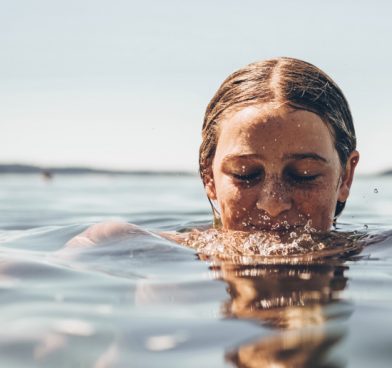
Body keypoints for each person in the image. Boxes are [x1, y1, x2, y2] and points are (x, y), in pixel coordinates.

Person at [66, 57, 359, 250]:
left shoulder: (384, 253)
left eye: (303, 174)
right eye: (246, 174)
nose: (273, 203)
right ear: (209, 177)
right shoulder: (123, 244)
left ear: (345, 177)